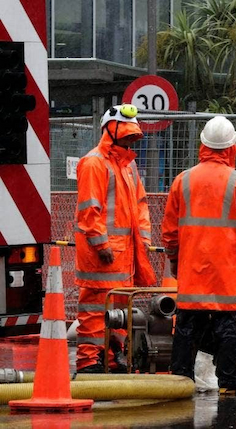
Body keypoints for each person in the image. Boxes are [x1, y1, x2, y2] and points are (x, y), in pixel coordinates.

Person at [162, 116, 236, 395]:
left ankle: (180, 381)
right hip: (225, 271)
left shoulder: (182, 180)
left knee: (186, 327)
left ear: (202, 145)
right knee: (226, 326)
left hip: (191, 268)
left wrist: (173, 259)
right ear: (232, 147)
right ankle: (228, 382)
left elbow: (170, 230)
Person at [75, 104, 156, 373]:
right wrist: (101, 243)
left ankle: (112, 358)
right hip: (103, 256)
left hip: (124, 257)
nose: (131, 140)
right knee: (95, 309)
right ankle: (89, 361)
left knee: (120, 310)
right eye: (128, 135)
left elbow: (140, 205)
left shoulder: (128, 166)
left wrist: (142, 241)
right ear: (110, 132)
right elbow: (89, 209)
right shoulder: (94, 163)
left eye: (134, 136)